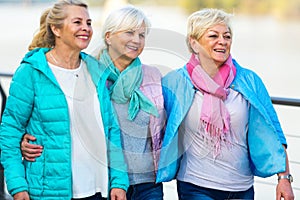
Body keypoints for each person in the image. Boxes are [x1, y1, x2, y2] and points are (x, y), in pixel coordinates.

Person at [20, 5, 166, 200]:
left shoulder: (153, 76)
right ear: (108, 36)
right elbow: (54, 114)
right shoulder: (91, 73)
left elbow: (170, 124)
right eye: (129, 32)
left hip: (147, 182)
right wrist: (27, 139)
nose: (136, 40)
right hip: (104, 181)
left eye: (142, 35)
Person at [156, 8, 295, 200]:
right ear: (194, 43)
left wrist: (284, 178)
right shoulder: (175, 82)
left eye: (227, 36)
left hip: (241, 187)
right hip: (195, 185)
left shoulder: (249, 80)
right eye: (213, 35)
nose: (222, 41)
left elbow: (274, 132)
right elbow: (153, 122)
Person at [0, 0, 129, 199]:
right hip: (49, 190)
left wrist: (119, 181)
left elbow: (111, 129)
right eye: (77, 22)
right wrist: (18, 185)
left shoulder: (96, 71)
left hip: (97, 190)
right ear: (56, 29)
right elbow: (10, 129)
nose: (86, 28)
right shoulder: (31, 72)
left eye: (88, 23)